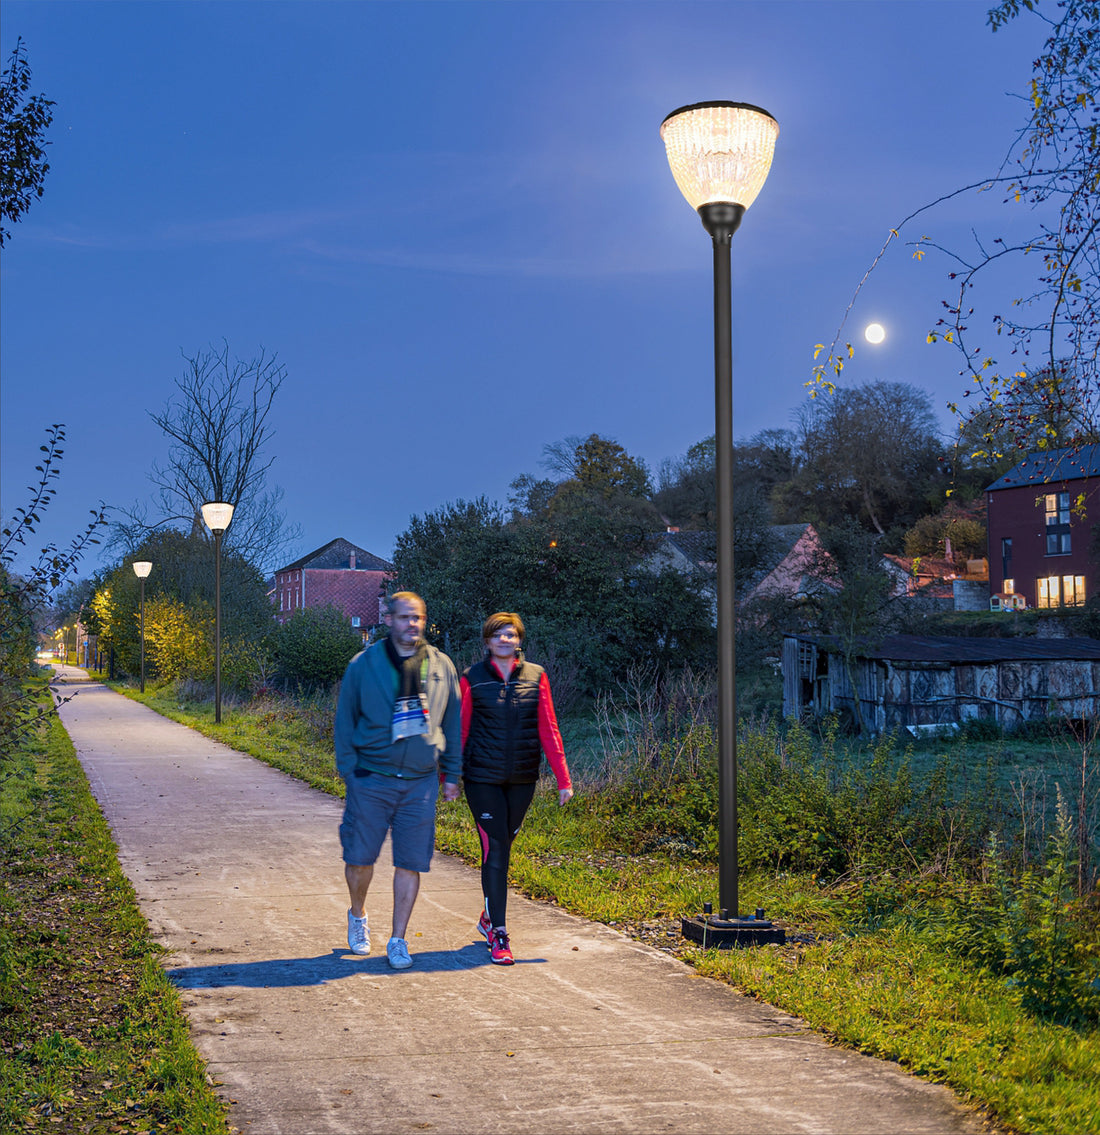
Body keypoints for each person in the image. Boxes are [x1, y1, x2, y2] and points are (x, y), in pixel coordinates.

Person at [334, 591, 461, 969]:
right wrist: (350, 771)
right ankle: (358, 916)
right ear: (388, 619)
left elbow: (452, 721)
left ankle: (398, 938)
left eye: (418, 617)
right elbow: (345, 721)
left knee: (411, 861)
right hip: (371, 778)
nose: (412, 624)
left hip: (420, 783)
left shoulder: (441, 666)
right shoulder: (364, 665)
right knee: (359, 859)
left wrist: (451, 773)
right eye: (405, 617)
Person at [461, 611, 573, 965]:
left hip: (522, 778)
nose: (504, 640)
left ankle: (487, 914)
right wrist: (449, 773)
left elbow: (549, 728)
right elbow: (460, 728)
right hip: (481, 778)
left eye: (510, 634)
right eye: (498, 634)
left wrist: (563, 779)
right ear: (487, 641)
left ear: (519, 640)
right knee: (495, 851)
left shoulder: (536, 676)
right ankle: (499, 933)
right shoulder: (473, 678)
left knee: (504, 847)